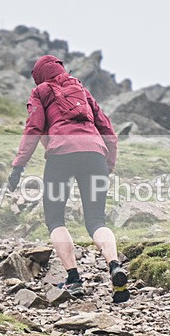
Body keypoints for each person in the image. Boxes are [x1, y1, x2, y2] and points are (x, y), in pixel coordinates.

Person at [7, 55, 129, 303]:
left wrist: (18, 166)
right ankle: (114, 265)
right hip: (94, 155)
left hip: (60, 156)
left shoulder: (41, 91)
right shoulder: (82, 90)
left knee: (55, 219)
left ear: (40, 75)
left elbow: (34, 127)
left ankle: (73, 278)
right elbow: (108, 130)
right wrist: (108, 164)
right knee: (96, 220)